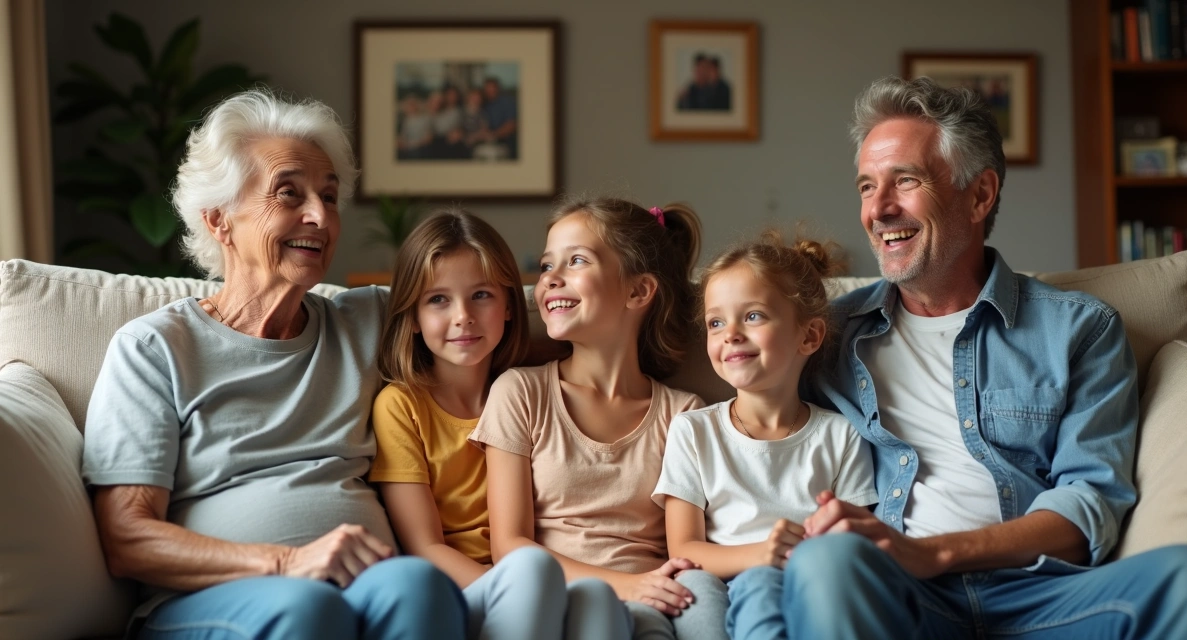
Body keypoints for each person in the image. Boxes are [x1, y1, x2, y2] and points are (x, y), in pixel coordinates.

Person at [754, 76, 1187, 638]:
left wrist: (937, 553)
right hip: (900, 599)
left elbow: (1089, 502)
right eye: (866, 187)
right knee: (825, 562)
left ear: (980, 195)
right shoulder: (825, 335)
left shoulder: (1079, 330)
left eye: (905, 181)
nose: (879, 209)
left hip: (1043, 596)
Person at [81, 89, 466, 639]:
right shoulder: (154, 349)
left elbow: (495, 319)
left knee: (420, 587)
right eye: (290, 194)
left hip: (362, 585)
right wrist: (286, 562)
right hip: (211, 603)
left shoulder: (368, 322)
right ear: (219, 221)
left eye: (329, 197)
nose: (320, 216)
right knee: (309, 609)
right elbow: (127, 537)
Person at [469, 198, 729, 640]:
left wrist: (648, 590)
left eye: (575, 261)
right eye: (548, 264)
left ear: (638, 291)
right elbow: (509, 546)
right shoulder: (521, 392)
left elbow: (685, 546)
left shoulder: (683, 414)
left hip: (651, 601)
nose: (550, 278)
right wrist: (627, 585)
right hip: (555, 600)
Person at [371, 209, 627, 640]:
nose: (463, 316)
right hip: (465, 592)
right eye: (438, 300)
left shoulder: (530, 390)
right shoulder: (401, 406)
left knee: (598, 597)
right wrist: (519, 586)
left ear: (510, 305)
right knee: (530, 567)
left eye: (481, 295)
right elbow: (425, 547)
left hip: (542, 580)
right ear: (412, 317)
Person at [653, 231, 879, 640]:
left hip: (803, 584)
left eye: (753, 316)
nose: (731, 334)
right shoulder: (693, 430)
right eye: (716, 322)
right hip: (720, 583)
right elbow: (684, 550)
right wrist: (762, 555)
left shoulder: (841, 435)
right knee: (723, 587)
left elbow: (852, 544)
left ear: (808, 336)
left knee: (776, 589)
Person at [481, 77, 518, 159]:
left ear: (497, 88)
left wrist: (494, 135)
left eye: (492, 87)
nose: (490, 90)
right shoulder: (484, 103)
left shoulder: (507, 101)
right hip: (487, 141)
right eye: (487, 88)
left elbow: (511, 125)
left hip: (506, 142)